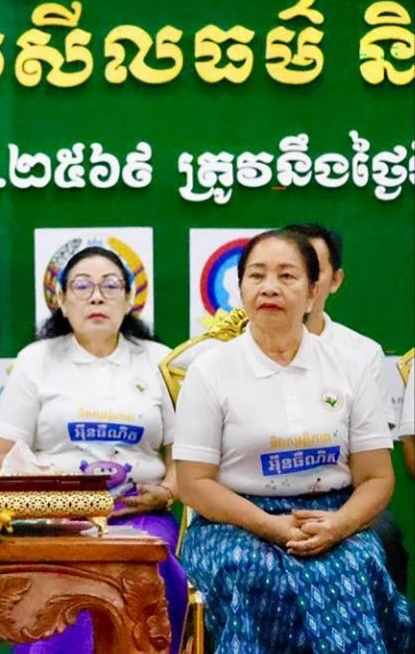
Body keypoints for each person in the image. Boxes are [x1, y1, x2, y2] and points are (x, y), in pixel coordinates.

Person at [174, 229, 412, 652]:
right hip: (233, 521)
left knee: (355, 563)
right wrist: (269, 526)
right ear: (241, 288)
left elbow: (377, 477)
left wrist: (339, 526)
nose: (270, 287)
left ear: (313, 291)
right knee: (252, 570)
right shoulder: (209, 370)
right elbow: (194, 483)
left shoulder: (351, 366)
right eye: (256, 275)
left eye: (287, 276)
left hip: (331, 515)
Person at [0, 245, 186, 654]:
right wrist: (47, 507)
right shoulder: (36, 360)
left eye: (110, 286)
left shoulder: (159, 361)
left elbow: (184, 457)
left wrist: (167, 491)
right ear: (60, 300)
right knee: (60, 577)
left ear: (129, 300)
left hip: (139, 518)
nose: (97, 297)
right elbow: (0, 456)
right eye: (82, 286)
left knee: (151, 571)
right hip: (54, 522)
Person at [284, 221, 409, 591]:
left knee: (385, 537)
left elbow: (369, 464)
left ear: (335, 280)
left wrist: (339, 519)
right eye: (290, 271)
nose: (301, 283)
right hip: (254, 500)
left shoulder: (361, 354)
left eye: (314, 270)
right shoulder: (228, 356)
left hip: (341, 498)